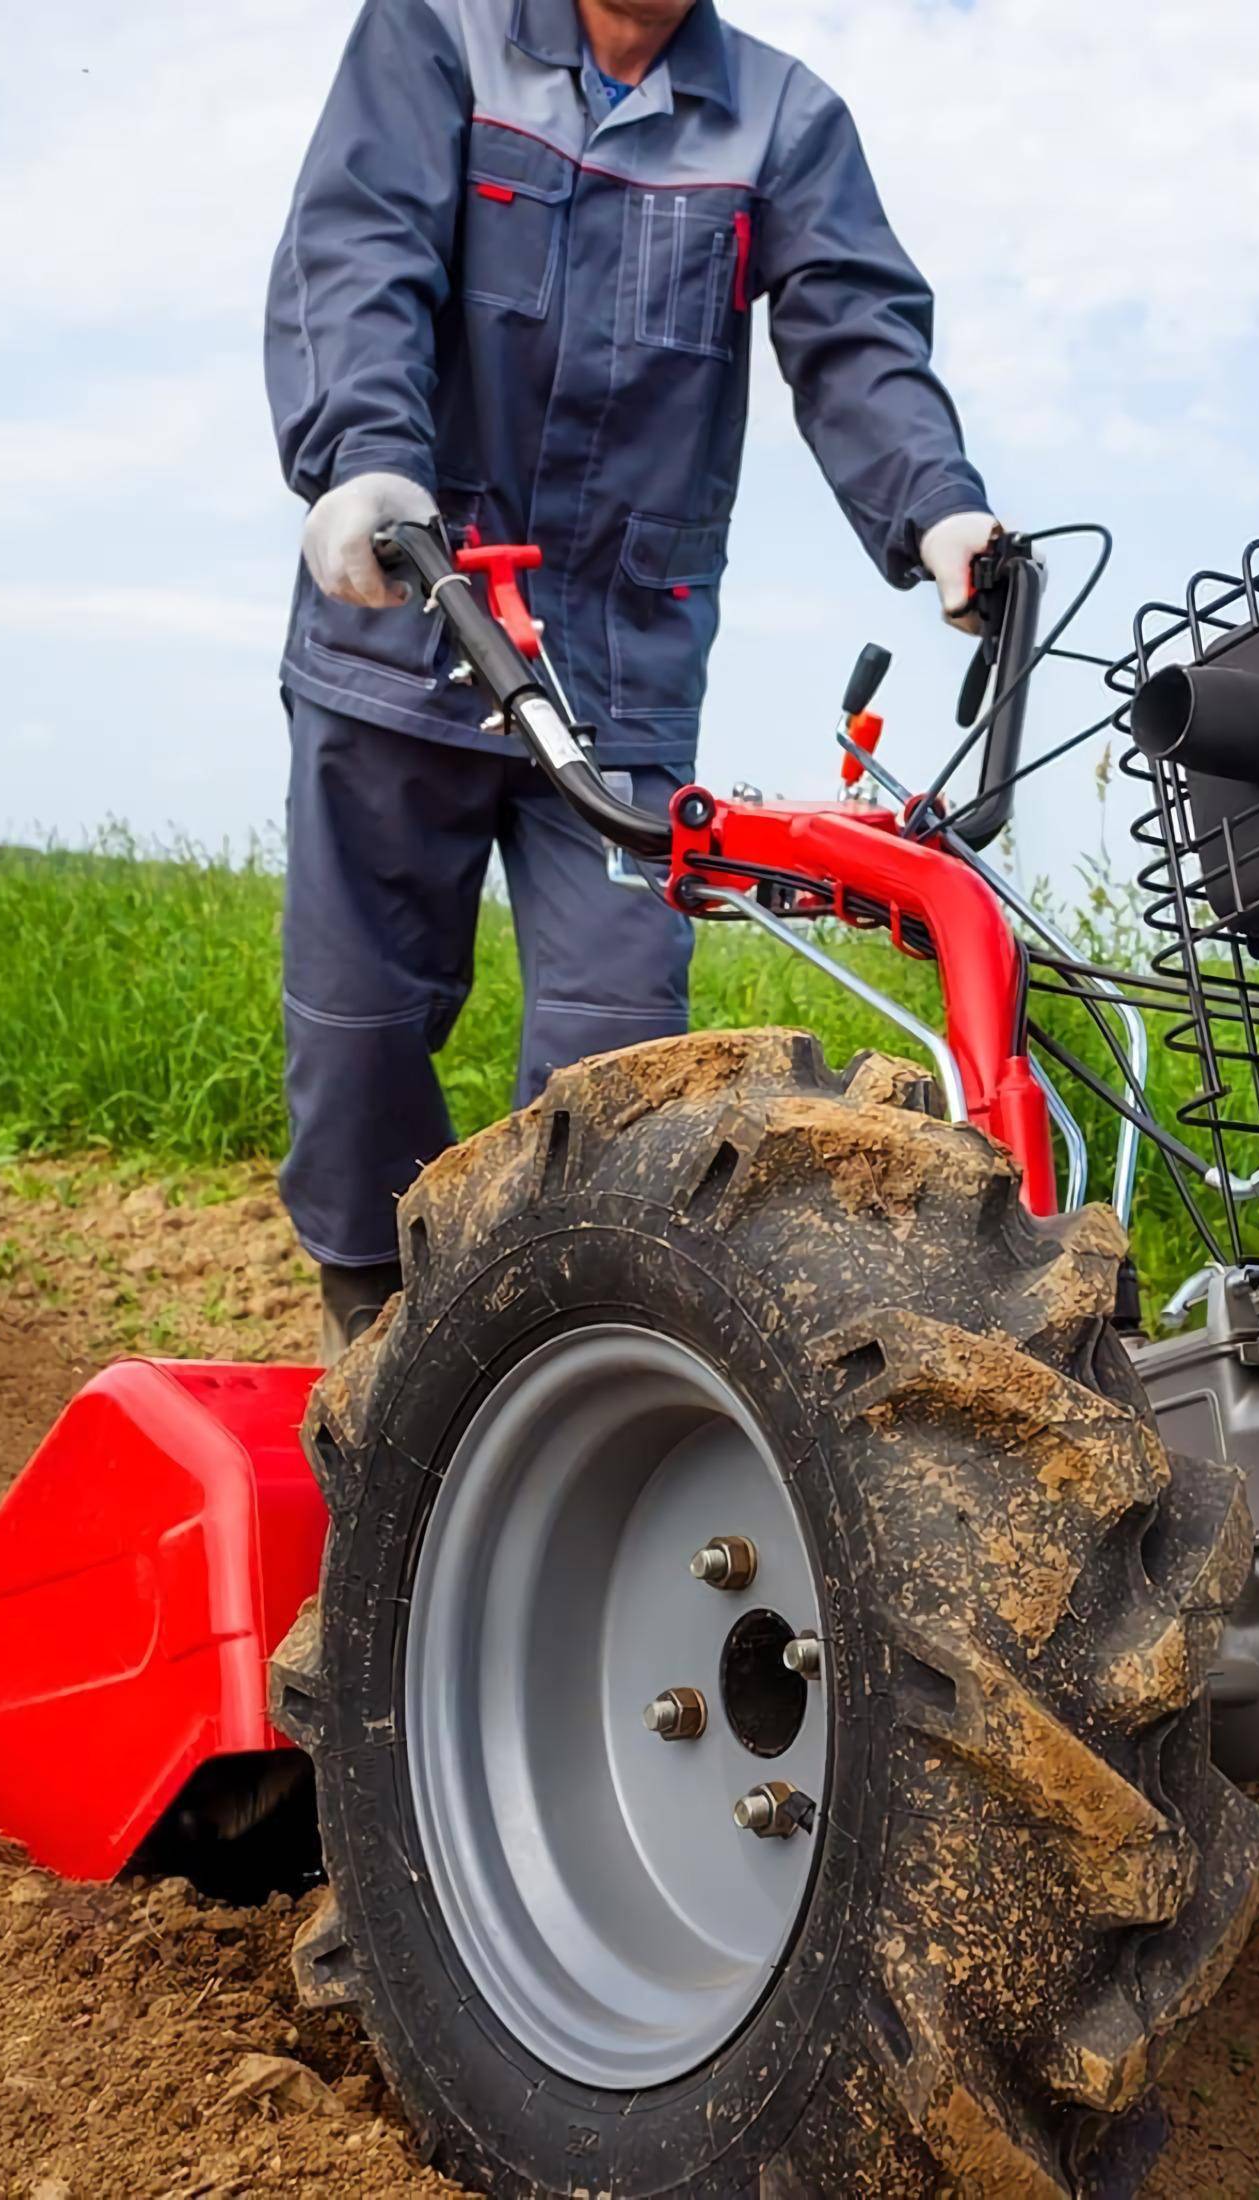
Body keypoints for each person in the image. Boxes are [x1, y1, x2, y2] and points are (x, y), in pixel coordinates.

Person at [266, 0, 999, 1358]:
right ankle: (373, 1337)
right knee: (360, 1028)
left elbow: (854, 333)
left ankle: (550, 1374)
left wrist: (939, 512)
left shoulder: (780, 117)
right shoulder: (442, 34)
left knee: (615, 1059)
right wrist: (361, 457)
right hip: (410, 604)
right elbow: (359, 249)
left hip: (620, 663)